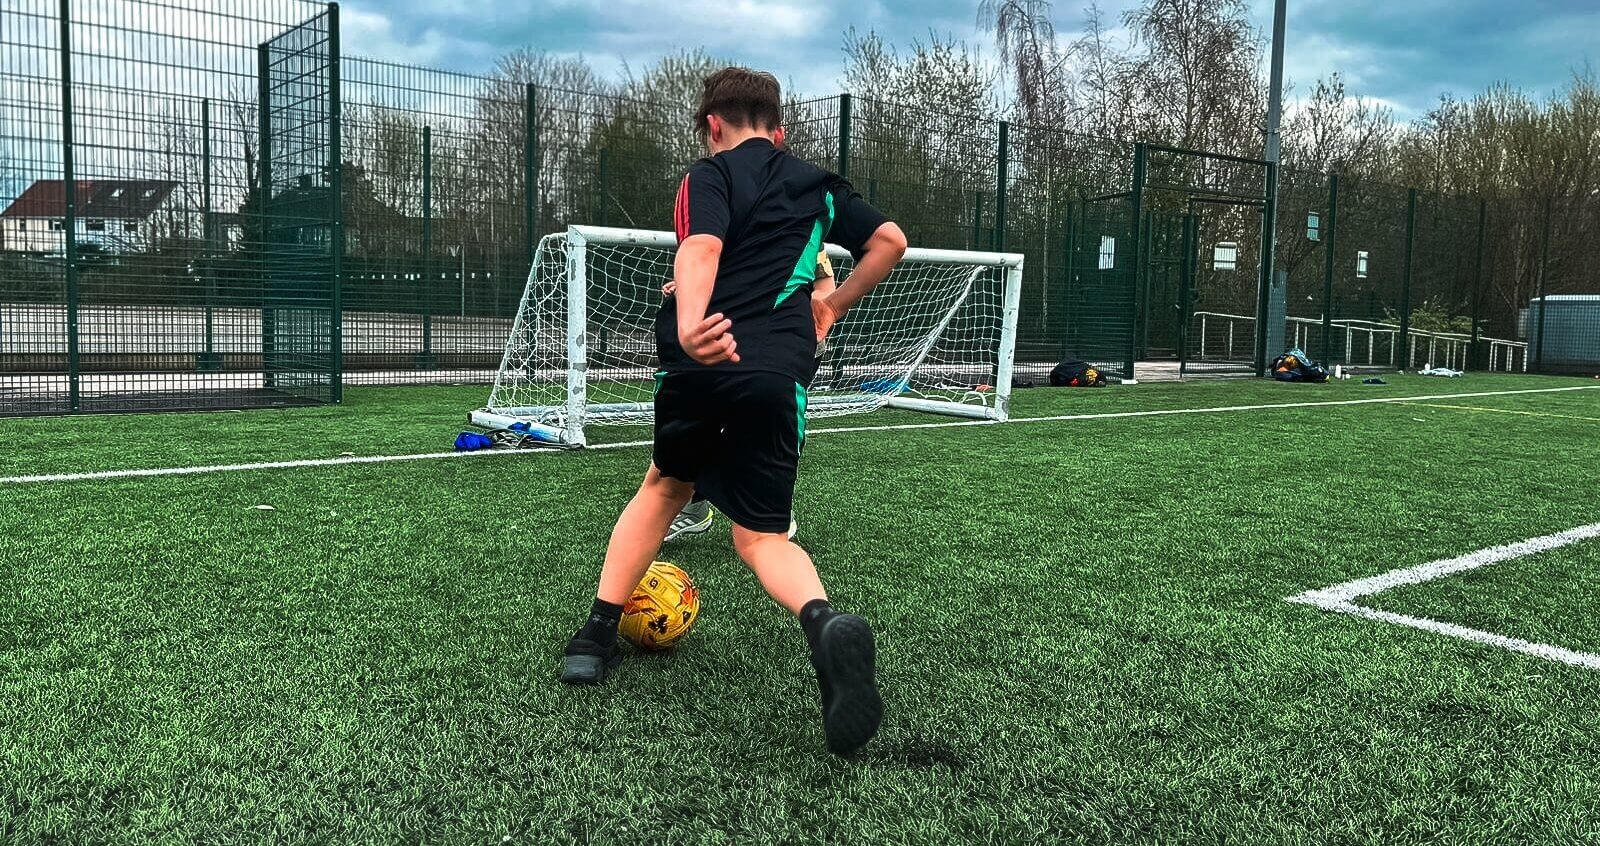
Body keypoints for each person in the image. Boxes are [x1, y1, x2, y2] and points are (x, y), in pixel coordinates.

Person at [558, 66, 908, 756]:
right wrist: (831, 306)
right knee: (760, 539)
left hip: (701, 362)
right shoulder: (817, 185)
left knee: (664, 486)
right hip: (777, 373)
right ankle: (821, 626)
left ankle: (594, 637)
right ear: (779, 131)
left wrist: (691, 322)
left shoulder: (707, 175)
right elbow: (891, 241)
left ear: (711, 126)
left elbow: (703, 247)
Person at [660, 250, 836, 543]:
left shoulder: (805, 218)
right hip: (729, 335)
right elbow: (710, 269)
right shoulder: (725, 220)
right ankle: (693, 507)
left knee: (765, 424)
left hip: (783, 344)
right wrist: (687, 287)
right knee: (702, 422)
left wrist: (819, 309)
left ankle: (773, 504)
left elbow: (825, 283)